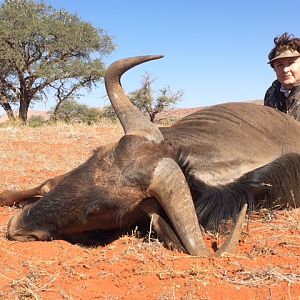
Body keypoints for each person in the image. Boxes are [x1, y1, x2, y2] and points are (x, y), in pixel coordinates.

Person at [264, 32, 300, 121]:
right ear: (274, 69)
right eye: (280, 65)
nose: (285, 70)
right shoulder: (270, 93)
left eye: (291, 62)